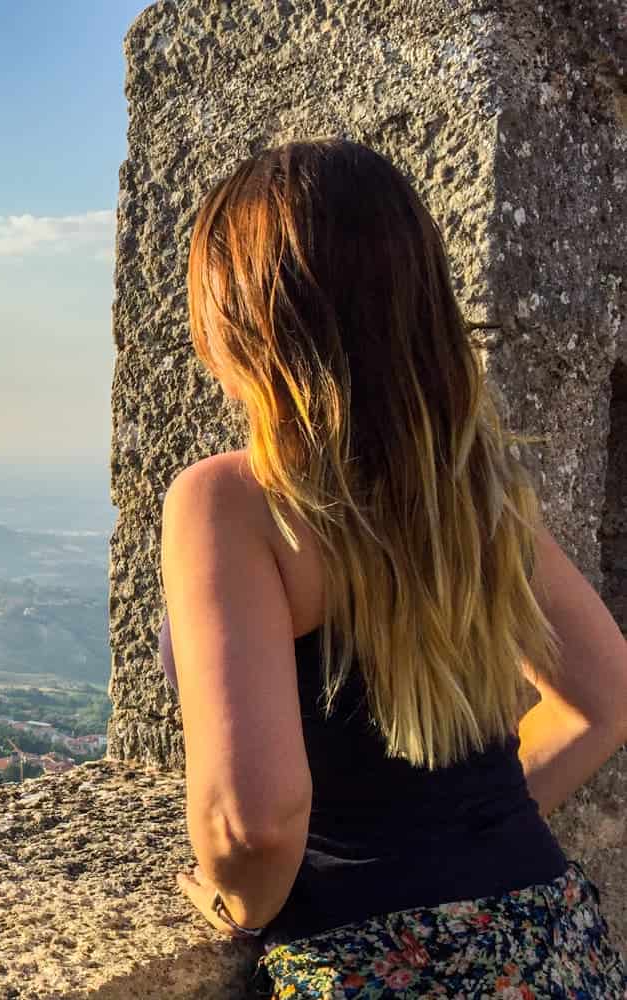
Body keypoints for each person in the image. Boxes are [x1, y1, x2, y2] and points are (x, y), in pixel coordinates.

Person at [156, 138, 627, 998]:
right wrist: (467, 840)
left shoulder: (230, 502)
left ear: (244, 318)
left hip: (368, 965)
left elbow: (254, 826)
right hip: (551, 946)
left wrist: (236, 908)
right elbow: (605, 700)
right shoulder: (473, 489)